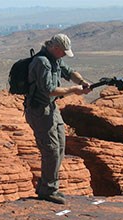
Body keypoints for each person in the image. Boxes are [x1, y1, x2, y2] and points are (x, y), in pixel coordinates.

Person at [25, 33, 91, 205]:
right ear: (55, 48)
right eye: (63, 52)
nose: (63, 55)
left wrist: (82, 81)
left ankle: (47, 186)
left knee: (60, 145)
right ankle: (48, 190)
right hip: (40, 111)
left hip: (51, 108)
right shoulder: (42, 62)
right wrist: (74, 90)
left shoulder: (55, 59)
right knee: (51, 150)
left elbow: (69, 72)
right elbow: (50, 90)